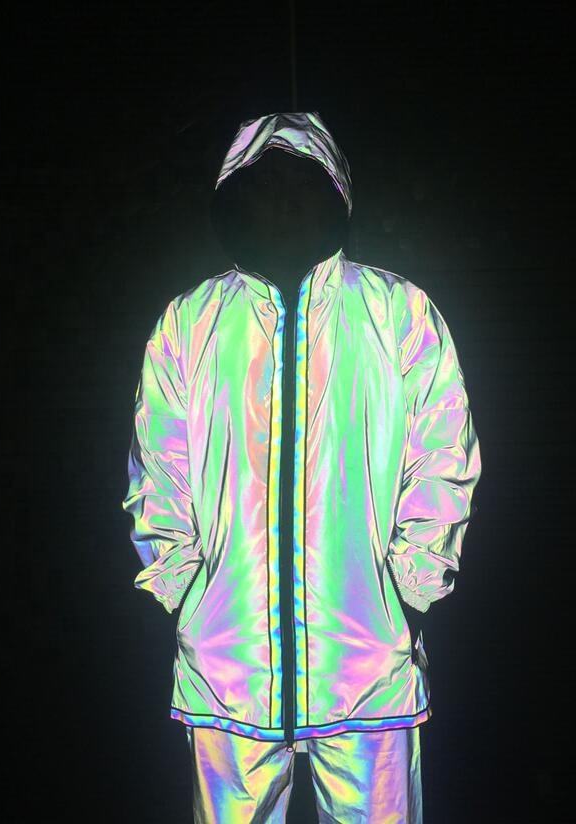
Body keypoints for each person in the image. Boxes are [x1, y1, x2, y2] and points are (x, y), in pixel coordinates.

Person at [121, 112, 482, 822]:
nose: (283, 206)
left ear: (333, 194)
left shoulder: (398, 313)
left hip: (367, 670)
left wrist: (408, 591)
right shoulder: (189, 323)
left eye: (300, 187)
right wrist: (186, 596)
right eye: (264, 188)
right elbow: (156, 471)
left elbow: (444, 454)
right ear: (235, 198)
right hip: (227, 677)